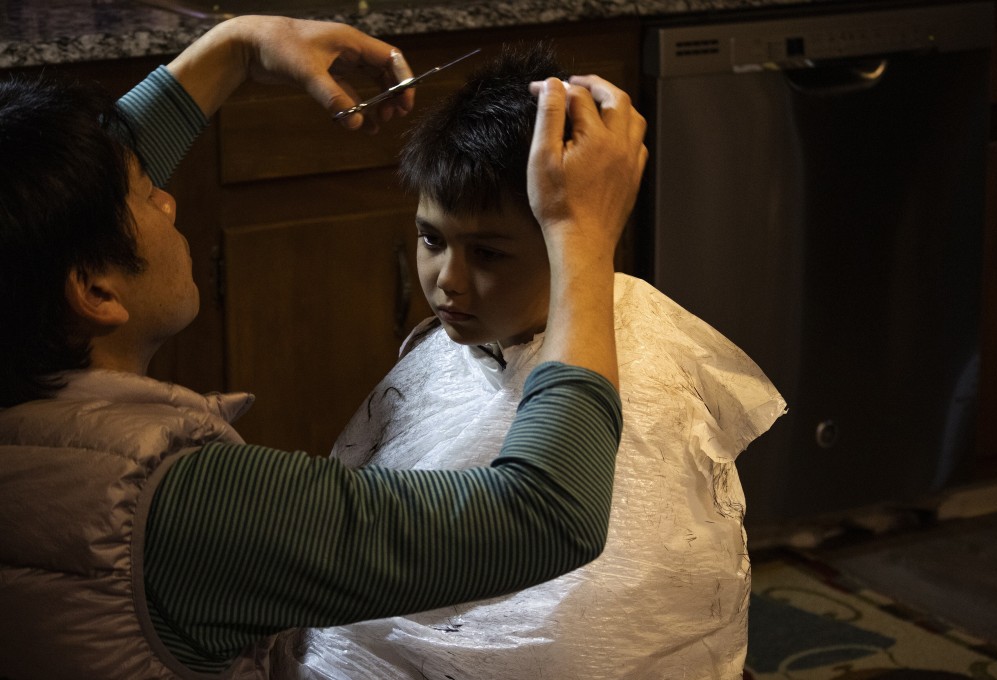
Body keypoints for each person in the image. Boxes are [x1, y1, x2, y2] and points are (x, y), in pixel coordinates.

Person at [0, 17, 648, 680]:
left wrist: (239, 48)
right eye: (143, 196)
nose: (167, 200)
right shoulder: (177, 511)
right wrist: (582, 236)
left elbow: (60, 195)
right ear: (96, 292)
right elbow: (547, 517)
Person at [277, 45, 787, 679]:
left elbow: (610, 621)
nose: (447, 284)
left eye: (489, 254)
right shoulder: (446, 352)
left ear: (576, 233)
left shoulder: (646, 368)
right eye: (431, 239)